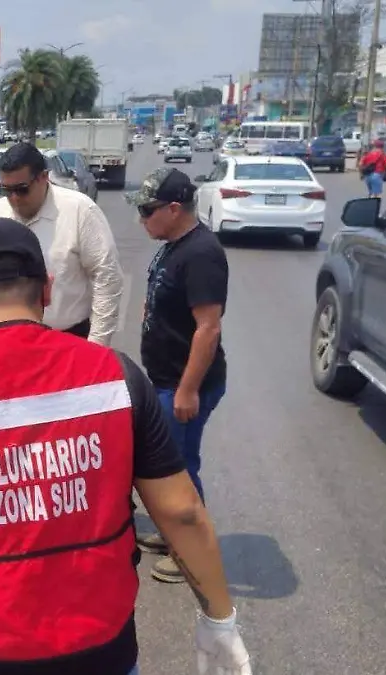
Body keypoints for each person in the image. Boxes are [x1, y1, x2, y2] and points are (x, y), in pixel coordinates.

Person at [0, 216, 251, 675]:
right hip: (100, 652)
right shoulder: (116, 376)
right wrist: (219, 619)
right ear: (48, 290)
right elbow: (182, 513)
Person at [124, 167, 230, 584]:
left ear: (173, 209)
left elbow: (208, 327)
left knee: (179, 468)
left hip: (186, 385)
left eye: (147, 212)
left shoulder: (201, 253)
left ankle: (191, 553)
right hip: (166, 378)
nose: (141, 220)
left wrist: (187, 390)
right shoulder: (171, 243)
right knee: (167, 462)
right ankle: (173, 536)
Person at [0, 142, 124, 346]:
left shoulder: (80, 211)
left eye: (22, 189)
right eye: (7, 190)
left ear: (43, 178)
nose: (15, 199)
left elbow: (107, 278)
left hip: (67, 340)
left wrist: (96, 345)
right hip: (9, 343)